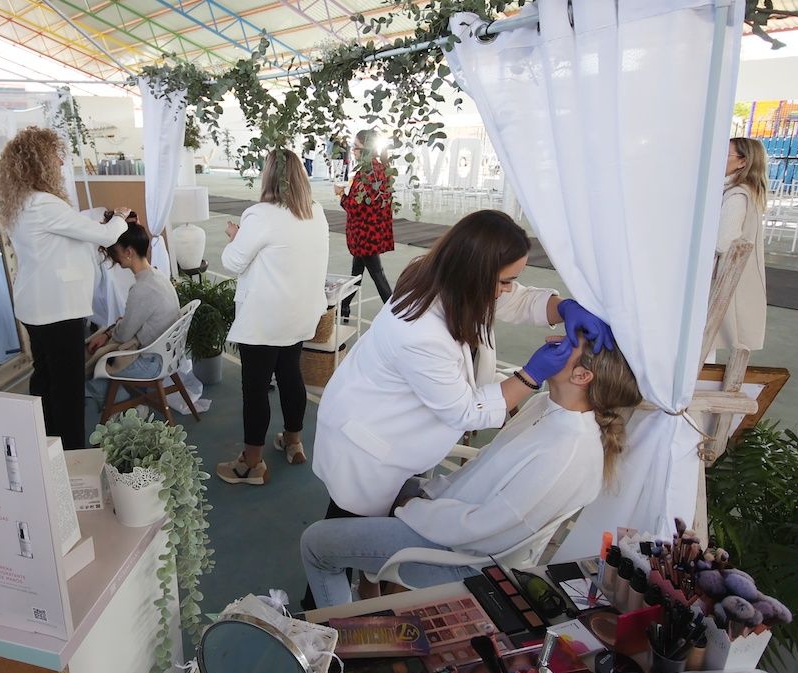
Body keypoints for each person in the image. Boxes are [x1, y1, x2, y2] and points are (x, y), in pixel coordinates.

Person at [312, 209, 615, 520]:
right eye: (505, 281)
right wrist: (530, 375)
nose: (508, 289)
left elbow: (516, 300)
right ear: (475, 273)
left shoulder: (446, 278)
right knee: (345, 527)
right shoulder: (420, 333)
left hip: (391, 427)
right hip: (367, 446)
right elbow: (465, 411)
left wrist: (563, 307)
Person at [301, 334, 641, 608]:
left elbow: (488, 528)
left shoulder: (566, 451)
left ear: (582, 376)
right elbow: (482, 471)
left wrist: (414, 508)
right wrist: (426, 496)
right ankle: (369, 596)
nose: (552, 339)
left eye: (567, 342)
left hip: (460, 555)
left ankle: (337, 646)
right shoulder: (547, 407)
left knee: (316, 544)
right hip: (453, 517)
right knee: (379, 479)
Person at [0, 126, 130, 451]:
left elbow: (66, 238)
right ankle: (72, 457)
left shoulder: (22, 202)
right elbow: (105, 236)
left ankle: (47, 446)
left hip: (35, 306)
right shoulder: (44, 204)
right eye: (54, 156)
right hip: (57, 309)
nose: (59, 162)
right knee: (68, 388)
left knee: (45, 379)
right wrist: (120, 218)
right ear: (39, 162)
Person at [217, 148, 329, 486]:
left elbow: (232, 262)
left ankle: (251, 463)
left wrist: (236, 237)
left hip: (265, 320)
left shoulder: (260, 215)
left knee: (255, 388)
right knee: (291, 375)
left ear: (268, 177)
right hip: (300, 315)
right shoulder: (316, 212)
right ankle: (293, 442)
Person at [85, 221, 181, 422]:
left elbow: (123, 334)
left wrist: (112, 331)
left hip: (152, 362)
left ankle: (126, 410)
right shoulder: (156, 276)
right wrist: (116, 328)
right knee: (99, 348)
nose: (113, 257)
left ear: (128, 252)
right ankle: (125, 406)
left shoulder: (142, 288)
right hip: (167, 353)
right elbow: (128, 326)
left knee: (93, 368)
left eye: (114, 252)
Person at [714, 137, 768, 354]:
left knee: (710, 336)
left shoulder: (737, 195)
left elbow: (722, 242)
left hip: (723, 278)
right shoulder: (746, 191)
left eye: (725, 154)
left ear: (742, 162)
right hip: (735, 277)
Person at [336, 129, 395, 322]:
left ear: (366, 149)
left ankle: (394, 313)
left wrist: (340, 195)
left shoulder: (367, 173)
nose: (353, 151)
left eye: (356, 147)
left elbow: (355, 206)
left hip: (364, 234)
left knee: (377, 275)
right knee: (357, 274)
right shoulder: (381, 169)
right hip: (372, 231)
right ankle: (344, 306)